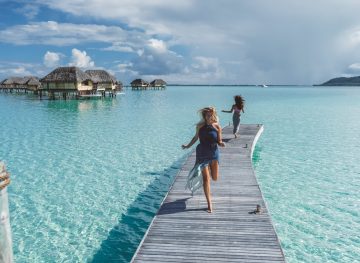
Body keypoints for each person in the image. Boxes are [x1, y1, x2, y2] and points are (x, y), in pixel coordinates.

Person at [182, 107, 225, 213]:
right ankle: (209, 204)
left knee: (214, 178)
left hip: (214, 153)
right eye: (208, 115)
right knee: (207, 180)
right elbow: (195, 137)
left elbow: (219, 140)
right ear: (204, 116)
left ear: (213, 115)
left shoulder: (217, 127)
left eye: (211, 115)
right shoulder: (200, 126)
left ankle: (207, 171)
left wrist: (221, 143)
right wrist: (187, 146)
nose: (210, 117)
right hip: (202, 153)